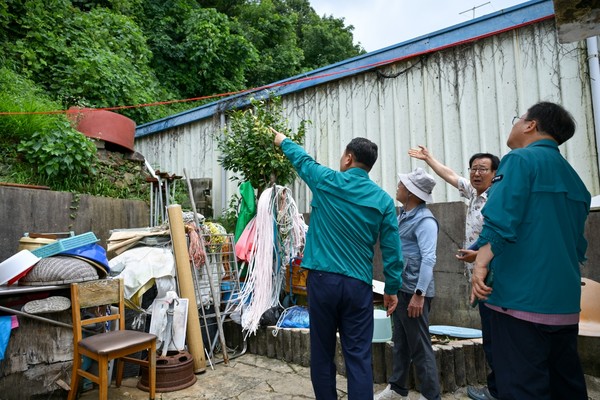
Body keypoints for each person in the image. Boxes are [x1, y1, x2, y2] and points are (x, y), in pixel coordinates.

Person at [269, 127, 404, 400]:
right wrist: (392, 288)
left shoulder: (326, 180)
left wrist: (282, 140)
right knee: (358, 356)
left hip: (323, 282)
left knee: (322, 353)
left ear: (348, 158)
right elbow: (392, 250)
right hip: (358, 286)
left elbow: (303, 160)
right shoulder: (383, 200)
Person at [471, 102, 591, 400]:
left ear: (530, 125)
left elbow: (501, 218)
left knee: (522, 388)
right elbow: (572, 244)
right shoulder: (575, 179)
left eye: (518, 119)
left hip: (519, 302)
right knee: (564, 387)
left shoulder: (519, 160)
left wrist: (481, 263)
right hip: (563, 305)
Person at [408, 146, 500, 400]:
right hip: (478, 276)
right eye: (473, 169)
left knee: (498, 336)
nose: (476, 174)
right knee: (492, 334)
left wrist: (479, 255)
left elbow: (501, 235)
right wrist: (429, 158)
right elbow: (450, 175)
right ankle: (498, 388)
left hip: (495, 276)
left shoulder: (498, 198)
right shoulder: (474, 193)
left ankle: (500, 390)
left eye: (483, 169)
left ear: (496, 173)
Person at [375, 167, 441, 400]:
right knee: (401, 342)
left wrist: (419, 294)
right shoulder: (403, 215)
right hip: (401, 289)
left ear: (412, 193)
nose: (398, 186)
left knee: (420, 346)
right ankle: (397, 388)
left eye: (402, 184)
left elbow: (429, 258)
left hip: (415, 292)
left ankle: (430, 396)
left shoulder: (425, 221)